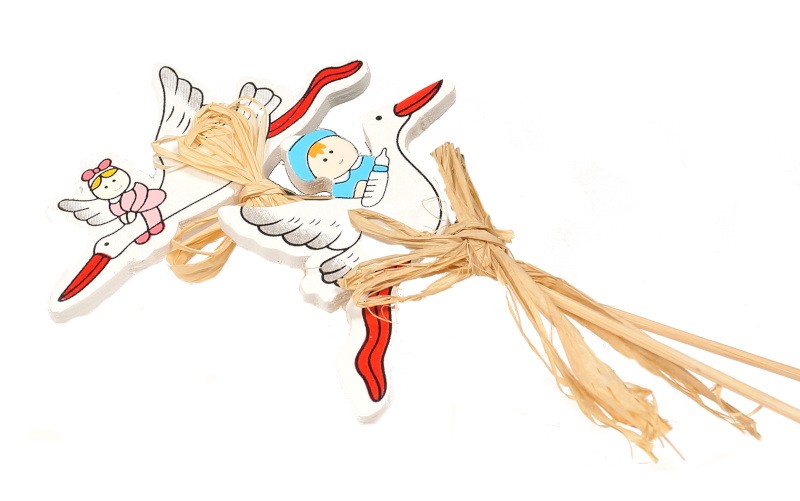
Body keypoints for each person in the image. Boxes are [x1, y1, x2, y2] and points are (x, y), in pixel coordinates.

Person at [286, 129, 389, 206]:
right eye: (325, 160)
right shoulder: (340, 187)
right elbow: (360, 195)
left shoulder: (367, 160)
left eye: (331, 151)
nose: (334, 158)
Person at [82, 159, 166, 244]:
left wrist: (134, 209)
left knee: (150, 211)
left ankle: (156, 225)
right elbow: (117, 211)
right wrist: (125, 216)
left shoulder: (136, 187)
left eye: (114, 180)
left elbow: (142, 193)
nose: (114, 186)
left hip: (147, 200)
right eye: (106, 187)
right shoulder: (114, 203)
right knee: (135, 222)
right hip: (133, 214)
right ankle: (141, 233)